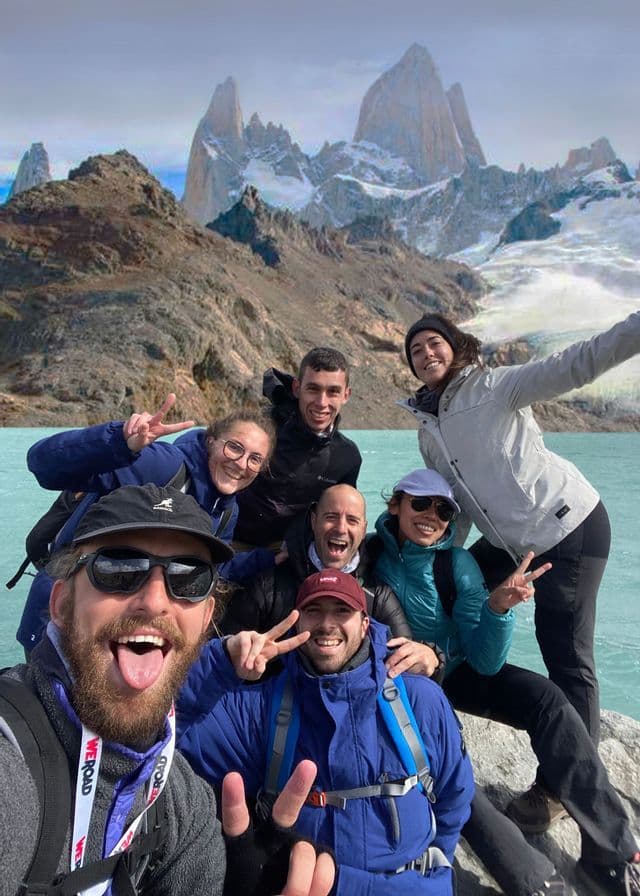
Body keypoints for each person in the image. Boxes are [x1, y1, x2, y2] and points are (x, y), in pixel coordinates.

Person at [0, 483, 335, 896]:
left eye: (189, 577)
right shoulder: (9, 766)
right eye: (119, 568)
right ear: (61, 603)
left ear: (208, 615)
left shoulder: (180, 802)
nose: (156, 601)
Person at [401, 311, 640, 811]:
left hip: (568, 528)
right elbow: (457, 508)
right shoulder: (429, 429)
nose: (426, 353)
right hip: (512, 542)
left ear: (455, 346)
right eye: (416, 349)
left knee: (567, 658)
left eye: (434, 342)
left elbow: (578, 363)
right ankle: (449, 676)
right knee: (455, 591)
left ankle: (561, 787)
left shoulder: (495, 387)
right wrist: (431, 559)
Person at [370, 468, 640, 896]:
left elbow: (486, 661)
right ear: (396, 505)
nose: (431, 516)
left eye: (443, 510)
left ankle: (614, 854)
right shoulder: (372, 556)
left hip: (456, 672)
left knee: (549, 700)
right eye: (420, 503)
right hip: (404, 685)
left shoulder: (455, 564)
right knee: (447, 763)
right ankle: (526, 873)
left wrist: (497, 611)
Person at [177, 569, 475, 895]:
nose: (327, 623)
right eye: (313, 611)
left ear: (364, 623)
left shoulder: (419, 698)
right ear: (298, 623)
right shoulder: (260, 709)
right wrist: (220, 662)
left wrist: (438, 865)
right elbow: (168, 732)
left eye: (342, 611)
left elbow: (455, 795)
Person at [17, 393, 278, 653]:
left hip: (129, 620)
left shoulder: (226, 511)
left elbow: (214, 567)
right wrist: (119, 442)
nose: (241, 463)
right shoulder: (164, 466)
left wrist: (267, 558)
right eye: (234, 447)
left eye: (255, 459)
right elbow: (43, 463)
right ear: (211, 441)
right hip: (65, 608)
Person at [192, 347, 362, 548]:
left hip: (287, 552)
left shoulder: (346, 457)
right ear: (297, 388)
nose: (321, 402)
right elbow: (198, 452)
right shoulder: (258, 429)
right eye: (313, 389)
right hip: (224, 540)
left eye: (333, 391)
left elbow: (342, 519)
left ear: (346, 395)